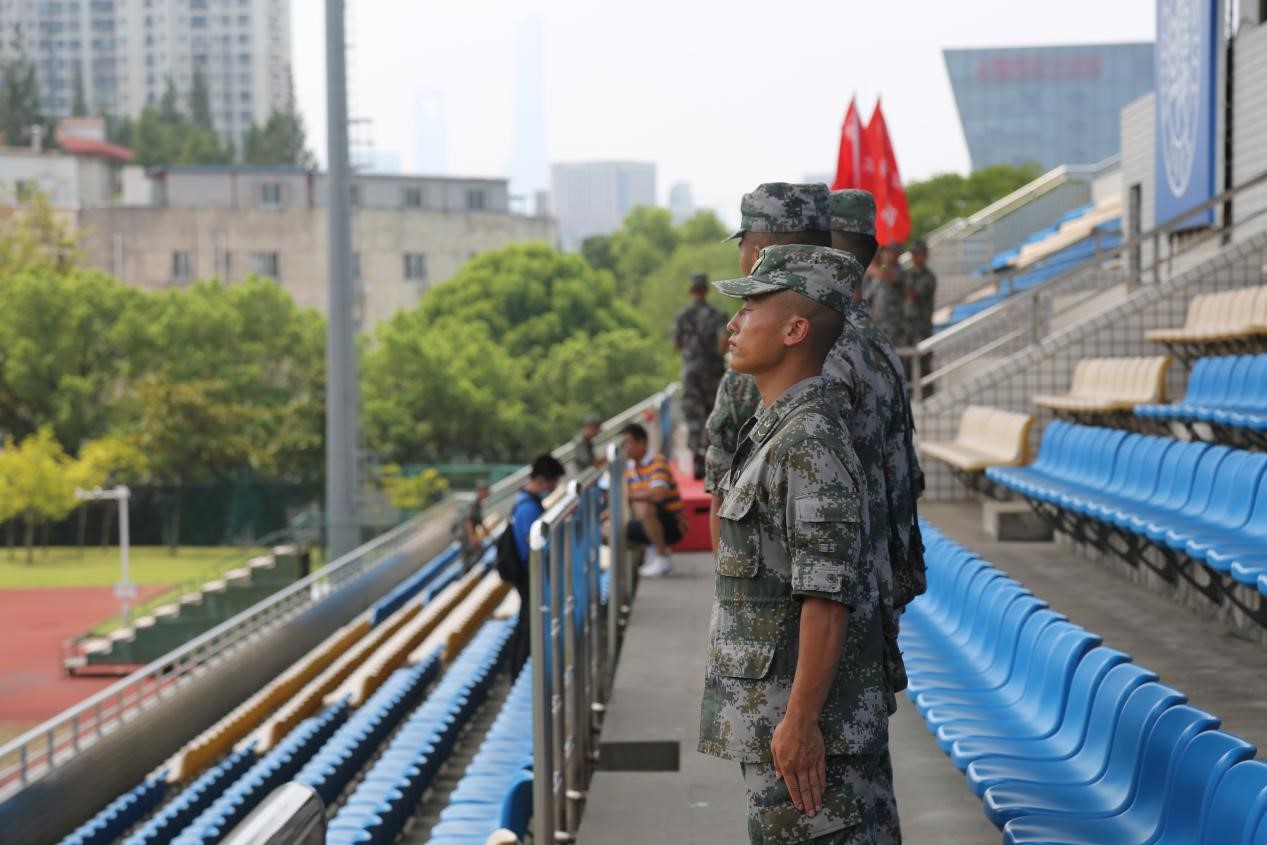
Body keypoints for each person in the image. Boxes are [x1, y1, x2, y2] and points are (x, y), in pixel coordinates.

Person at [699, 244, 890, 845]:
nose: (732, 324)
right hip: (777, 724)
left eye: (749, 308)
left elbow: (825, 595)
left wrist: (802, 721)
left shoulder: (808, 443)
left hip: (804, 737)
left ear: (794, 329)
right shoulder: (777, 429)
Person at [705, 182, 833, 550]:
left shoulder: (765, 357)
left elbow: (722, 498)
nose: (734, 324)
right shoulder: (869, 343)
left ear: (759, 253)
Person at [508, 454, 565, 671]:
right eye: (553, 481)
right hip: (529, 573)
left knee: (528, 624)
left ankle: (521, 670)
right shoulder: (528, 507)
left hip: (528, 573)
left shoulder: (524, 501)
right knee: (528, 626)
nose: (554, 486)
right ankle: (520, 671)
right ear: (542, 478)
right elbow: (531, 544)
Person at [674, 271, 730, 480]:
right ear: (706, 290)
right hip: (712, 370)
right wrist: (716, 354)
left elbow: (678, 344)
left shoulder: (683, 316)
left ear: (691, 291)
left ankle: (697, 460)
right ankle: (712, 461)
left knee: (693, 416)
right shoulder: (717, 314)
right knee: (713, 414)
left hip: (691, 371)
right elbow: (724, 340)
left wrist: (692, 353)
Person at [622, 422, 688, 577]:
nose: (625, 448)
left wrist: (628, 496)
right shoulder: (629, 467)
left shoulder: (657, 461)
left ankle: (661, 558)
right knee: (606, 529)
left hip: (674, 523)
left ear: (642, 442)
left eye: (628, 443)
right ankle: (649, 552)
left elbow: (659, 494)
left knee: (642, 506)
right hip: (646, 520)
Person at [902, 240, 937, 397]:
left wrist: (896, 283)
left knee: (923, 363)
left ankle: (927, 395)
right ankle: (909, 395)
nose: (916, 257)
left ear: (926, 255)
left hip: (921, 326)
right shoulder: (907, 275)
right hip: (907, 326)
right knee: (906, 364)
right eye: (914, 254)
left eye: (919, 254)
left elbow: (914, 295)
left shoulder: (928, 277)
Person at [863, 243, 907, 350]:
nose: (889, 255)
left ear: (899, 254)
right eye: (887, 252)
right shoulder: (877, 273)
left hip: (894, 324)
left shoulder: (901, 272)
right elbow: (868, 295)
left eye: (893, 252)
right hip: (877, 323)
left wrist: (872, 268)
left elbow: (887, 276)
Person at [459, 481, 490, 569]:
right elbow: (468, 521)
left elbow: (479, 521)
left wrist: (486, 531)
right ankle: (468, 572)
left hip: (467, 535)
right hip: (465, 535)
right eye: (485, 491)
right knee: (474, 553)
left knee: (473, 553)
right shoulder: (474, 505)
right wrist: (472, 538)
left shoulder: (478, 504)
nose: (488, 493)